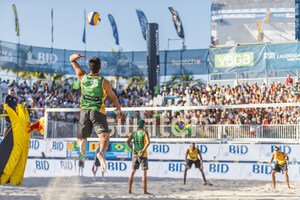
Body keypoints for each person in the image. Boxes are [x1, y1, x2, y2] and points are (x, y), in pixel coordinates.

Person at [69, 53, 121, 172]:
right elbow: (113, 97)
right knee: (104, 138)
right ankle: (101, 154)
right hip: (97, 112)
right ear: (100, 68)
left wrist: (77, 56)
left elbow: (71, 59)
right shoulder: (104, 82)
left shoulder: (82, 76)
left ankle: (82, 142)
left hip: (84, 111)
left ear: (89, 67)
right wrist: (118, 107)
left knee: (80, 139)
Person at [126, 120, 151, 194]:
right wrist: (142, 150)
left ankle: (129, 190)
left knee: (132, 172)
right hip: (143, 155)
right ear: (143, 125)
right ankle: (145, 191)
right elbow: (148, 142)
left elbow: (127, 142)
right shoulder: (144, 132)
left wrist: (132, 150)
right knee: (144, 174)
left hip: (135, 155)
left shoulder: (134, 133)